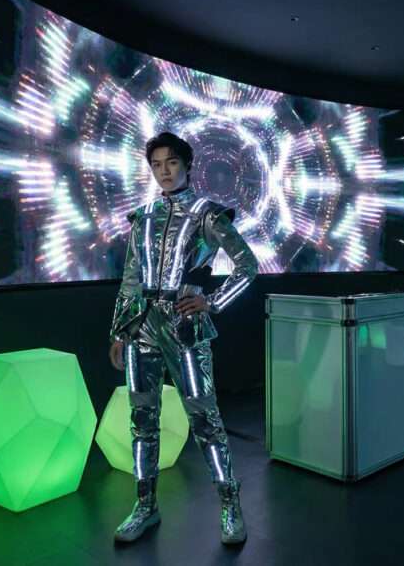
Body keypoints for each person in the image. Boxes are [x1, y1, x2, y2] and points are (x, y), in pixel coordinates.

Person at [108, 131, 258, 544]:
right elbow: (130, 278)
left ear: (187, 165)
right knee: (142, 420)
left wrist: (212, 301)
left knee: (205, 420)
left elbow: (247, 265)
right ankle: (145, 505)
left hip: (184, 326)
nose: (164, 171)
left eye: (171, 162)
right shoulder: (143, 217)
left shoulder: (206, 214)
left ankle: (230, 504)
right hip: (140, 326)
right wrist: (119, 330)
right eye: (156, 165)